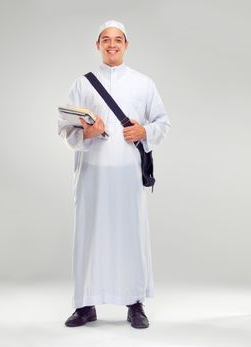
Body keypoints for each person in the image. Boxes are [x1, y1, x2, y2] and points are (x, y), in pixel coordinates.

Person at [58, 20, 170, 329]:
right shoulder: (83, 84)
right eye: (105, 39)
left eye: (117, 39)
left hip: (127, 174)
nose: (112, 44)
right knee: (89, 235)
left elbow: (163, 121)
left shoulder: (143, 83)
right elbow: (65, 127)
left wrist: (143, 130)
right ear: (97, 45)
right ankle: (85, 305)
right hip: (91, 173)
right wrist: (88, 132)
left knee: (129, 234)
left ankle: (135, 304)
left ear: (126, 44)